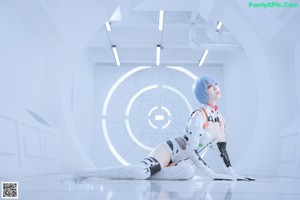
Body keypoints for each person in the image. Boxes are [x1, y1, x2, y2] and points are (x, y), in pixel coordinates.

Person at [76, 76, 253, 181]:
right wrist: (211, 173)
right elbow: (191, 149)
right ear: (202, 92)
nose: (215, 88)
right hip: (169, 150)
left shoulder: (221, 119)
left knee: (188, 172)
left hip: (184, 163)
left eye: (215, 84)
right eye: (209, 86)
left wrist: (233, 173)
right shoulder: (199, 115)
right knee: (140, 172)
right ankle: (92, 173)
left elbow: (223, 149)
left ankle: (150, 173)